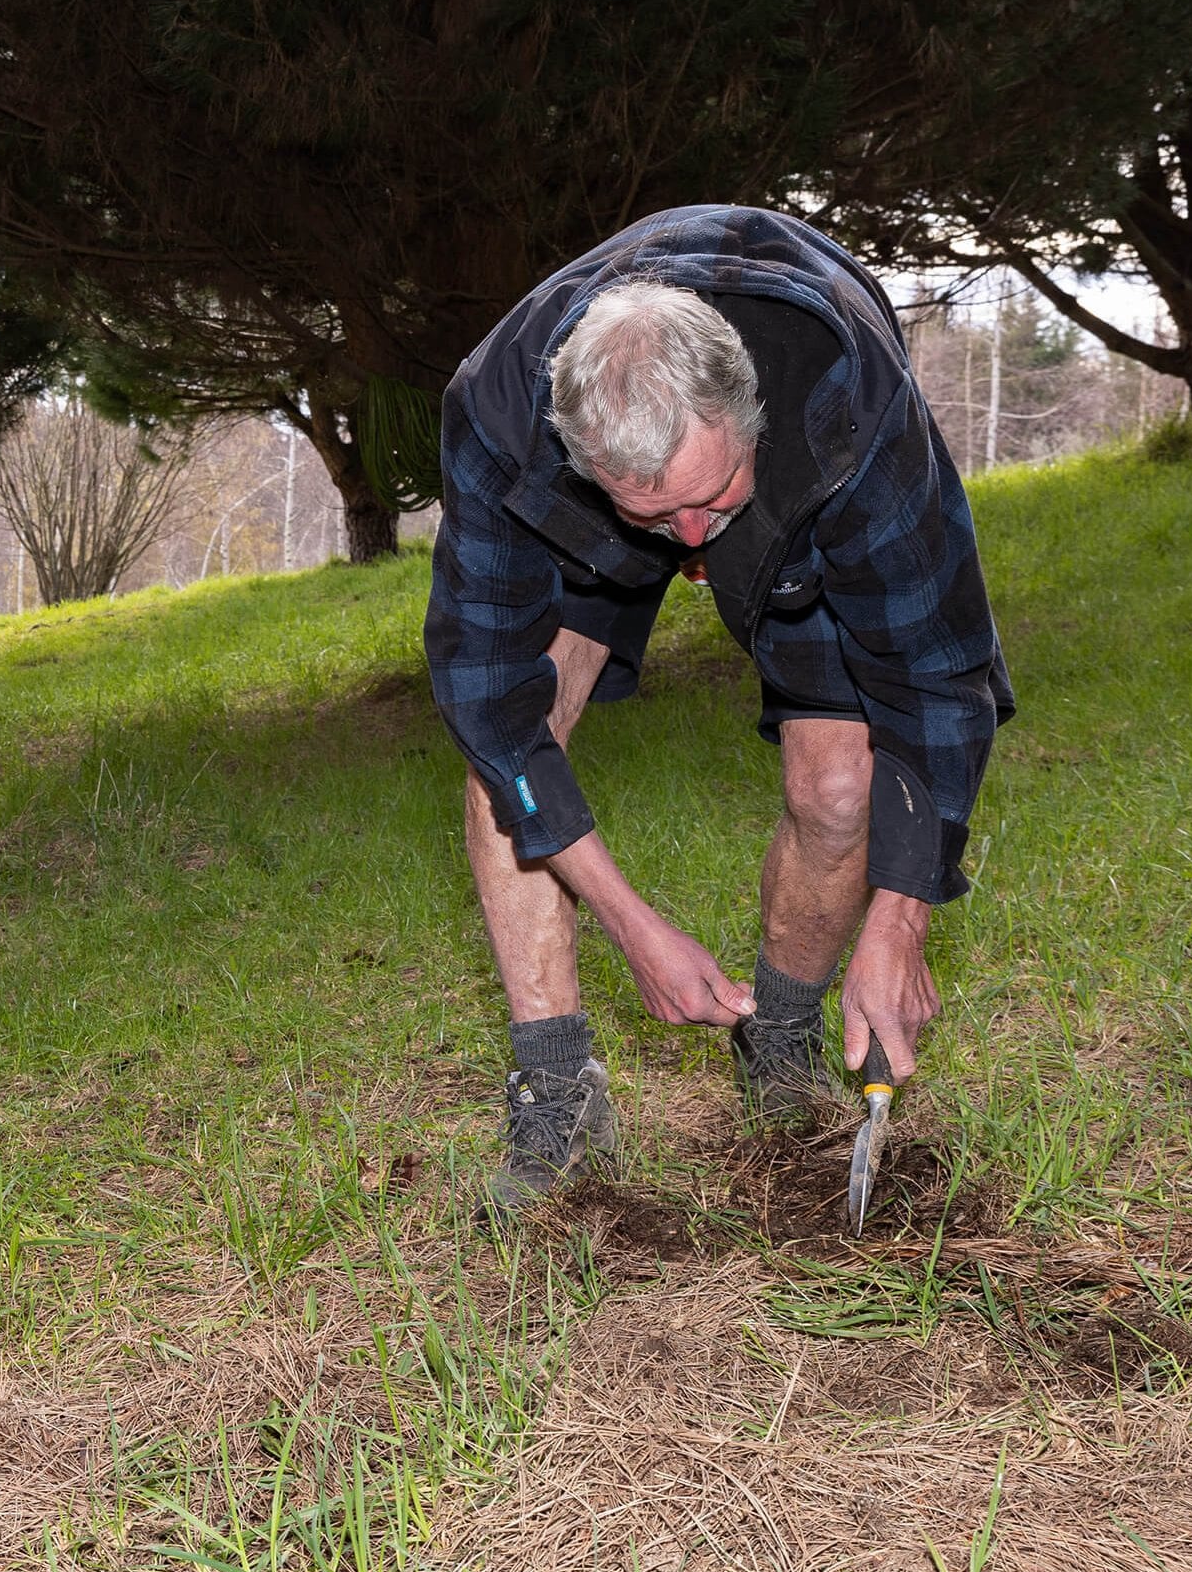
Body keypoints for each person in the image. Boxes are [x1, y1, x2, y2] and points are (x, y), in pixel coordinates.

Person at [424, 205, 1012, 1209]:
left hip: (795, 496)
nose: (690, 539)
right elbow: (494, 713)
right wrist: (630, 925)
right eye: (659, 517)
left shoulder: (846, 401)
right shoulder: (501, 423)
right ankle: (557, 1095)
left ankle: (776, 1040)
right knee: (506, 769)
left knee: (837, 788)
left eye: (709, 500)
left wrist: (902, 917)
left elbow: (935, 670)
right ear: (579, 454)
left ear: (749, 418)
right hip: (592, 522)